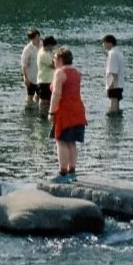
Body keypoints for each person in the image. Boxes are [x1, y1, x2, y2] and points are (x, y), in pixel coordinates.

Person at [50, 46, 87, 180]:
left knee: (61, 141)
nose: (53, 61)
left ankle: (62, 173)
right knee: (71, 142)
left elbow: (56, 94)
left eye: (54, 58)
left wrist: (51, 112)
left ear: (60, 59)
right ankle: (72, 171)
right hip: (78, 110)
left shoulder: (59, 73)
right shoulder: (77, 72)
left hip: (65, 111)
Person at [102, 33, 126, 116]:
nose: (103, 45)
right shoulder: (118, 52)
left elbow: (113, 71)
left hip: (115, 84)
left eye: (104, 43)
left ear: (109, 43)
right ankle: (117, 121)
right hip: (120, 83)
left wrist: (111, 85)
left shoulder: (112, 53)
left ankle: (113, 124)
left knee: (113, 106)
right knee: (117, 106)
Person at [35, 34, 58, 117]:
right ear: (48, 45)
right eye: (52, 45)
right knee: (44, 102)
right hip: (44, 82)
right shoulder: (43, 54)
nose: (53, 47)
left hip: (48, 81)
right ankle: (42, 116)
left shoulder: (48, 52)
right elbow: (54, 65)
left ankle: (44, 115)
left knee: (47, 101)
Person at [20, 28, 41, 110]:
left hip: (40, 76)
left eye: (38, 37)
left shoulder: (42, 45)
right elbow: (23, 65)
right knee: (30, 95)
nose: (38, 39)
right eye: (36, 38)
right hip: (30, 76)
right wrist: (26, 78)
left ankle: (36, 108)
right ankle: (28, 110)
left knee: (39, 95)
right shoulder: (27, 49)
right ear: (31, 39)